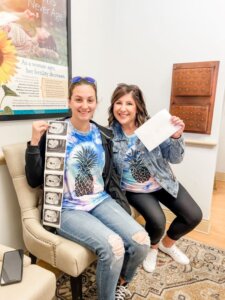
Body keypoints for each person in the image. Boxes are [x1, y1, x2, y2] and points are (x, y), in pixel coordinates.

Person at [25, 77, 150, 300]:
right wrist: (34, 142)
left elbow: (108, 177)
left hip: (99, 200)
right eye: (78, 99)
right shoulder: (56, 132)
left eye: (90, 100)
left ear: (97, 102)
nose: (85, 105)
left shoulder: (103, 135)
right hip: (67, 208)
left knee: (142, 242)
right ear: (69, 102)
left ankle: (121, 282)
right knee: (113, 248)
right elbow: (34, 180)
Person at [108, 83, 203, 273]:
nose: (123, 108)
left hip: (162, 181)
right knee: (158, 222)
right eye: (118, 103)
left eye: (129, 104)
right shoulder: (108, 135)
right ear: (113, 107)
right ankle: (152, 248)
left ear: (138, 107)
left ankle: (166, 245)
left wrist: (176, 137)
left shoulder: (153, 127)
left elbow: (175, 158)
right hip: (135, 190)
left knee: (193, 216)